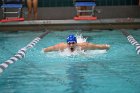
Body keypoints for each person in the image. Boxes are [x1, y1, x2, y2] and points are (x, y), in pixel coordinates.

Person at [43, 34, 110, 53]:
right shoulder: (62, 46)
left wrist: (106, 47)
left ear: (76, 43)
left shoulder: (84, 46)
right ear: (67, 43)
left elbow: (97, 47)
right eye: (69, 43)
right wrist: (44, 50)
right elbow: (50, 48)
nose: (71, 45)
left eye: (73, 43)